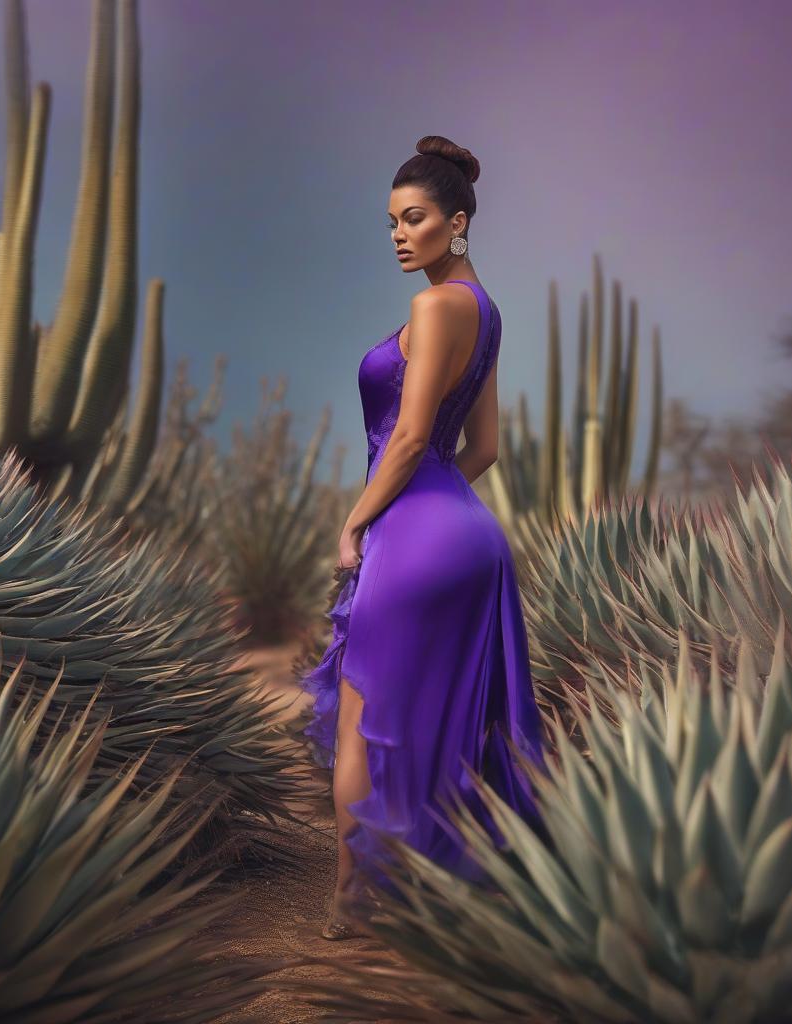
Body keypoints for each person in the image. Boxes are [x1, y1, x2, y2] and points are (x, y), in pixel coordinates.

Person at [298, 135, 548, 940]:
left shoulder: (434, 307)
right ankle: (447, 893)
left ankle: (355, 904)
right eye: (393, 223)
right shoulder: (487, 310)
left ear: (458, 222)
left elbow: (407, 441)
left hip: (410, 531)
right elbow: (485, 449)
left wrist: (359, 519)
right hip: (470, 536)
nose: (401, 235)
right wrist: (434, 509)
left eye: (415, 219)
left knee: (363, 722)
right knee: (450, 719)